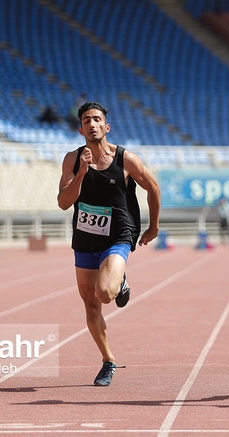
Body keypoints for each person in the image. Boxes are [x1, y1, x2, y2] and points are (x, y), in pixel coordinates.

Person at [57, 101, 160, 387]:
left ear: (106, 126)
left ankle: (119, 280)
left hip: (118, 235)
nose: (92, 124)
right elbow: (64, 203)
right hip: (85, 238)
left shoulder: (125, 159)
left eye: (97, 119)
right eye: (87, 120)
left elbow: (153, 187)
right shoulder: (72, 159)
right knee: (91, 307)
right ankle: (108, 360)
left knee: (104, 293)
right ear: (80, 129)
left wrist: (154, 226)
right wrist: (80, 173)